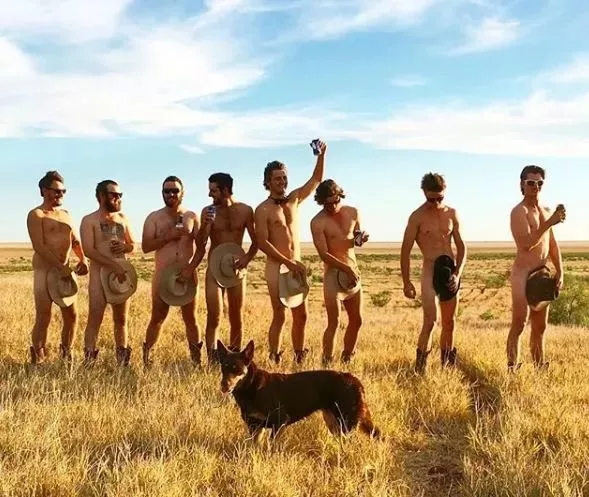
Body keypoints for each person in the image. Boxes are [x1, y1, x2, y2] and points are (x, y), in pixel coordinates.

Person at [254, 140, 327, 364]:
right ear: (268, 182)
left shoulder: (294, 199)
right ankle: (274, 357)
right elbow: (263, 242)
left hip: (296, 266)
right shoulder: (263, 209)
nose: (282, 182)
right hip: (277, 267)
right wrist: (287, 262)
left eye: (284, 177)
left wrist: (321, 155)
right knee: (280, 314)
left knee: (301, 314)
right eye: (277, 178)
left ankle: (299, 356)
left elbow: (316, 180)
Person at [400, 172, 467, 374]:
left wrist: (457, 273)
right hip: (430, 270)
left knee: (450, 322)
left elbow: (462, 247)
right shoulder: (417, 217)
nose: (436, 203)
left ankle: (447, 367)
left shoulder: (452, 213)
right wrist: (406, 282)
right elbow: (405, 251)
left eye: (440, 198)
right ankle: (420, 369)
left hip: (450, 270)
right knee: (430, 321)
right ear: (424, 193)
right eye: (431, 199)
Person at [188, 173, 257, 364]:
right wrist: (206, 225)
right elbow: (200, 243)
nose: (210, 195)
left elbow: (256, 241)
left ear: (226, 190)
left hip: (236, 269)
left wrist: (247, 258)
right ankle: (213, 360)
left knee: (236, 316)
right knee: (214, 316)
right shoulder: (208, 211)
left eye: (214, 191)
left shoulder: (245, 210)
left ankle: (236, 360)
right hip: (214, 268)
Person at [506, 165, 565, 371]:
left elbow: (553, 245)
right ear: (522, 184)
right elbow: (525, 244)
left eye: (539, 183)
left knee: (540, 327)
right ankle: (512, 368)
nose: (535, 186)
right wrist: (549, 222)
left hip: (542, 274)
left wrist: (560, 271)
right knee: (519, 323)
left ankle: (539, 367)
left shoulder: (546, 211)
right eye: (531, 182)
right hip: (522, 274)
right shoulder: (518, 212)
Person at [26, 171, 89, 364]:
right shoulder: (36, 215)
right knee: (44, 316)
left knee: (72, 316)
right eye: (57, 191)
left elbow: (75, 240)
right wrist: (59, 266)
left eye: (63, 191)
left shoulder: (66, 214)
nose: (61, 194)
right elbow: (39, 246)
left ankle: (66, 354)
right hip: (45, 272)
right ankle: (38, 359)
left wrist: (83, 259)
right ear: (44, 191)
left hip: (66, 272)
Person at [141, 176, 203, 367]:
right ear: (162, 193)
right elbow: (146, 246)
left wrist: (190, 269)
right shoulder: (154, 218)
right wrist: (167, 236)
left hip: (187, 275)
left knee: (191, 318)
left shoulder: (192, 216)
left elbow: (201, 248)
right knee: (157, 317)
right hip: (163, 275)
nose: (171, 194)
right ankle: (147, 359)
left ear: (182, 192)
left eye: (175, 190)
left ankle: (196, 361)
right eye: (167, 191)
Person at [310, 179, 369, 365]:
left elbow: (355, 240)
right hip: (333, 275)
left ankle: (347, 359)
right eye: (328, 204)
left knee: (357, 320)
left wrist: (361, 239)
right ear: (321, 201)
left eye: (336, 201)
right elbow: (323, 254)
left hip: (353, 271)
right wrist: (345, 268)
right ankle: (327, 363)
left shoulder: (353, 212)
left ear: (340, 196)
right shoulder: (317, 222)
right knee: (334, 322)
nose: (333, 206)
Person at [80, 179, 137, 365]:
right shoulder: (89, 220)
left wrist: (125, 247)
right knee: (95, 317)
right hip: (99, 275)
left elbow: (133, 245)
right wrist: (113, 265)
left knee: (121, 319)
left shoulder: (123, 218)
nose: (118, 198)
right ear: (101, 196)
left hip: (121, 276)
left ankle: (122, 361)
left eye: (120, 195)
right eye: (113, 195)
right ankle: (89, 361)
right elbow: (89, 250)